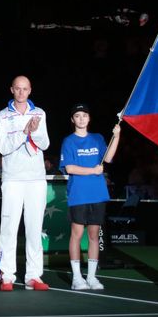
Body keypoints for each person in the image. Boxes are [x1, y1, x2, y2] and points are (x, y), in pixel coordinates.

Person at [0, 75, 50, 291]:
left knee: (34, 228)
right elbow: (2, 147)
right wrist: (24, 132)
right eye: (17, 89)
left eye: (24, 89)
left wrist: (34, 131)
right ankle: (7, 275)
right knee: (9, 227)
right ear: (11, 90)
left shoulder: (40, 113)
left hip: (36, 179)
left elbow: (45, 143)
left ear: (30, 90)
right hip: (13, 178)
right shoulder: (2, 116)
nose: (21, 92)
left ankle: (33, 276)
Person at [60, 103, 120, 291]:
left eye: (84, 115)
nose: (81, 119)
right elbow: (70, 168)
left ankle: (92, 277)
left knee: (94, 235)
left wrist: (116, 136)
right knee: (77, 235)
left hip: (97, 193)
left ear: (89, 118)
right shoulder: (68, 141)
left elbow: (108, 158)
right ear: (73, 120)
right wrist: (92, 170)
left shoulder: (97, 138)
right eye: (77, 116)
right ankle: (77, 278)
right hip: (78, 194)